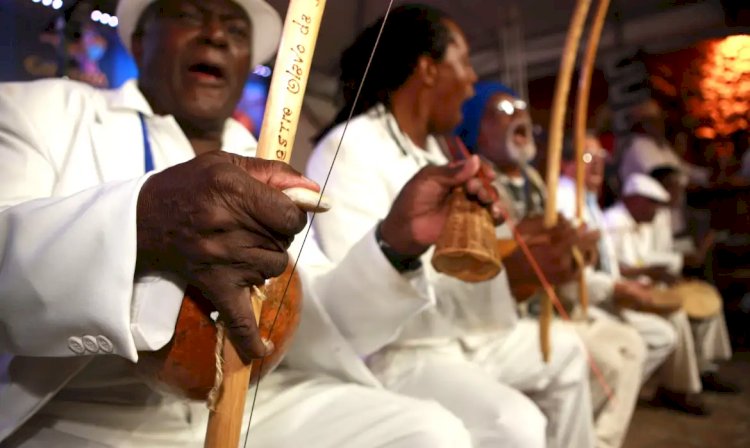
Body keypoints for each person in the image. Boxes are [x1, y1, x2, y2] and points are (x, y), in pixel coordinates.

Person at [0, 1, 505, 446]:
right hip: (84, 412)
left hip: (254, 397)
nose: (217, 35)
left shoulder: (261, 158)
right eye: (191, 14)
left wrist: (396, 242)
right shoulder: (39, 112)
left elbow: (321, 323)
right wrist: (144, 221)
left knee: (428, 433)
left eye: (236, 31)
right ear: (139, 38)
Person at [308, 6, 595, 448]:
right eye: (463, 61)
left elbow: (474, 256)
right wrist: (510, 281)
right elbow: (358, 310)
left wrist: (535, 239)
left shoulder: (436, 156)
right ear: (427, 69)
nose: (471, 82)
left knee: (571, 352)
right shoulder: (350, 149)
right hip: (395, 355)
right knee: (515, 425)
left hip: (459, 336)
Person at [457, 81, 647, 448]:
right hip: (513, 318)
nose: (521, 116)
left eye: (522, 107)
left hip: (555, 307)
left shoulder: (533, 182)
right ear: (477, 127)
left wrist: (579, 254)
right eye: (505, 112)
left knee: (631, 344)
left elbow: (556, 254)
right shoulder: (475, 182)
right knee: (600, 359)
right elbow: (492, 265)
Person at [603, 173, 735, 415]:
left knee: (706, 299)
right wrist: (654, 273)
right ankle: (678, 387)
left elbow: (642, 260)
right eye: (652, 203)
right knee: (676, 315)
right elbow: (617, 268)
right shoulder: (613, 222)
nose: (657, 209)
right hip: (622, 294)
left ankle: (704, 370)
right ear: (635, 200)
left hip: (644, 287)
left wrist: (661, 274)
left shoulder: (638, 221)